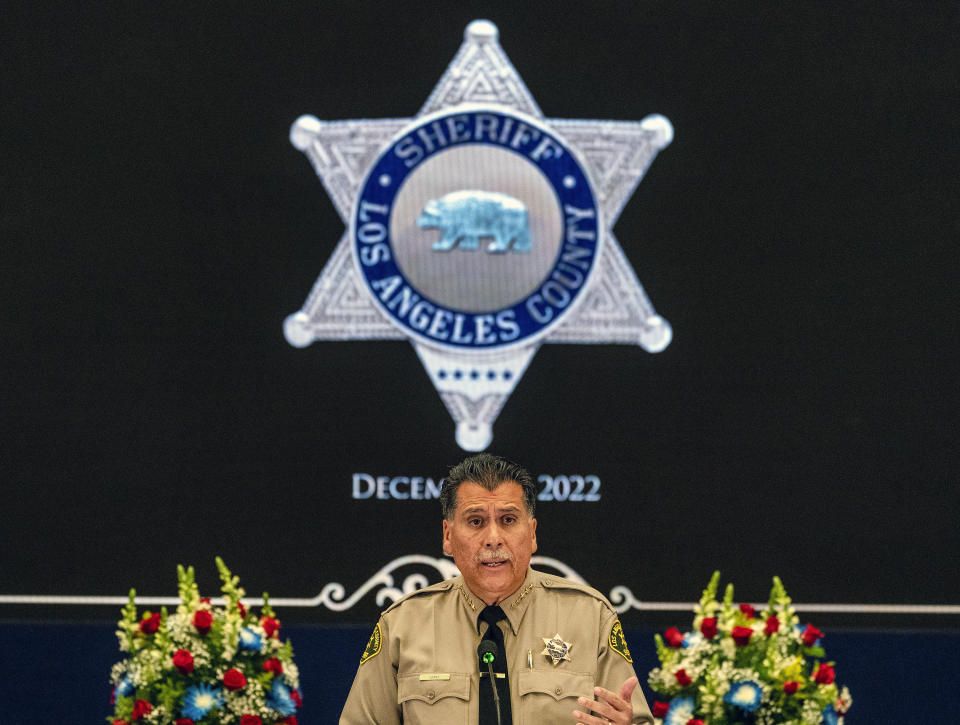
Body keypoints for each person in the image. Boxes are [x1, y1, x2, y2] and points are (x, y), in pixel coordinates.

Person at [340, 453, 653, 724]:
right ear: (448, 535)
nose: (493, 538)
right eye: (475, 521)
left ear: (531, 534)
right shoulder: (402, 624)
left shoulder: (589, 617)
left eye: (507, 519)